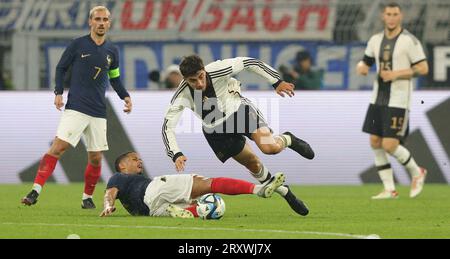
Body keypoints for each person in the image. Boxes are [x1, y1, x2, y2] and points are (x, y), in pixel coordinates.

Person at [162, 55, 313, 216]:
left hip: (240, 113)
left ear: (204, 70)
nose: (199, 83)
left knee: (270, 148)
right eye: (193, 81)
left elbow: (249, 63)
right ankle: (286, 194)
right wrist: (176, 153)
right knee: (253, 164)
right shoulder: (181, 95)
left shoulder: (218, 69)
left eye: (201, 77)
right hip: (216, 131)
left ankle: (288, 138)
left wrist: (276, 81)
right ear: (185, 79)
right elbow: (167, 126)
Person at [21, 6, 133, 209]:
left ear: (109, 23)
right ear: (90, 22)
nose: (101, 23)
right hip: (76, 107)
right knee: (58, 148)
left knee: (96, 158)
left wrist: (125, 96)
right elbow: (60, 68)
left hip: (99, 111)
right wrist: (57, 92)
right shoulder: (78, 44)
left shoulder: (112, 51)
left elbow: (114, 78)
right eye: (97, 19)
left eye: (105, 19)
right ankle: (35, 190)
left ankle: (86, 198)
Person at [356, 2, 428, 199]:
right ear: (383, 16)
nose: (392, 17)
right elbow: (366, 61)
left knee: (389, 145)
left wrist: (397, 73)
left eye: (395, 14)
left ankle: (417, 172)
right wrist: (361, 66)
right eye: (388, 14)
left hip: (399, 99)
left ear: (401, 16)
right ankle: (389, 188)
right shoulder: (375, 40)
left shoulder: (409, 41)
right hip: (377, 98)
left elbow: (423, 68)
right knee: (375, 141)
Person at [100, 151, 286, 218]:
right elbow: (110, 193)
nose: (139, 161)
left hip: (151, 211)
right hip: (155, 188)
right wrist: (108, 205)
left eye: (140, 159)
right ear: (122, 165)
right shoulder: (118, 177)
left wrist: (110, 206)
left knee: (208, 207)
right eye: (134, 159)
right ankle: (258, 189)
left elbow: (113, 195)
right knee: (207, 184)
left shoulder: (130, 180)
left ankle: (188, 211)